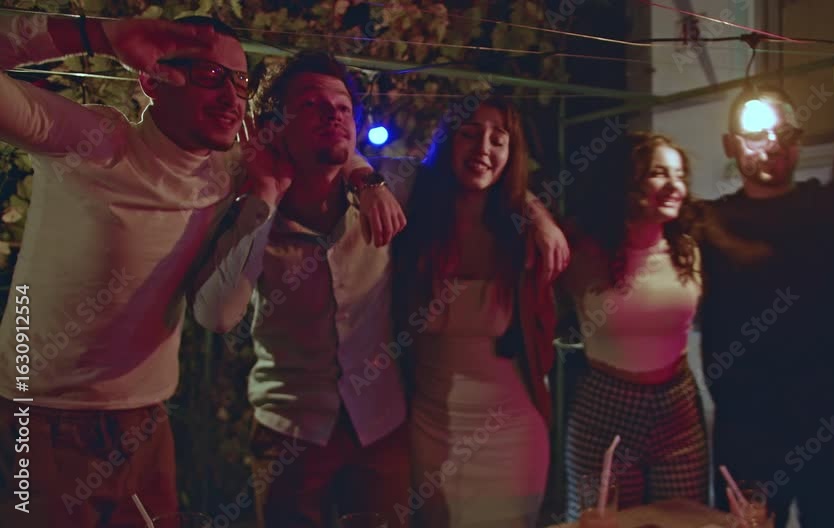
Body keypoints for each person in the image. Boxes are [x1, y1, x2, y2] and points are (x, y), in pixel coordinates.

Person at [193, 52, 569, 528]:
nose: (333, 115)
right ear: (273, 127)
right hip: (291, 429)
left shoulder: (396, 185)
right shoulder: (246, 210)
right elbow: (217, 316)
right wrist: (264, 194)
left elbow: (477, 176)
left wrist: (537, 213)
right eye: (311, 105)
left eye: (342, 108)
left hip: (381, 426)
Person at [0, 13, 278, 528]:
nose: (232, 97)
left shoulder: (228, 170)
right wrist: (97, 35)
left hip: (147, 424)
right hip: (41, 419)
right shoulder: (95, 142)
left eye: (241, 82)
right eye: (210, 75)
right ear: (151, 80)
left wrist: (364, 178)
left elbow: (320, 140)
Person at [694, 86, 834, 528]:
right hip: (745, 425)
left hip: (830, 420)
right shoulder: (705, 222)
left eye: (785, 133)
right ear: (730, 145)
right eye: (756, 134)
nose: (773, 144)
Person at [390, 96, 557, 527]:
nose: (483, 148)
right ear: (448, 141)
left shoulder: (521, 236)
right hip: (430, 429)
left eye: (498, 140)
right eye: (470, 134)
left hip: (511, 435)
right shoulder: (413, 211)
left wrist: (535, 212)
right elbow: (361, 167)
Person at [560, 132, 709, 517]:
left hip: (676, 406)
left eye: (680, 175)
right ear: (625, 181)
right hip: (605, 406)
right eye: (659, 173)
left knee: (683, 520)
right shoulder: (583, 253)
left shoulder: (687, 251)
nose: (675, 186)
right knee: (603, 522)